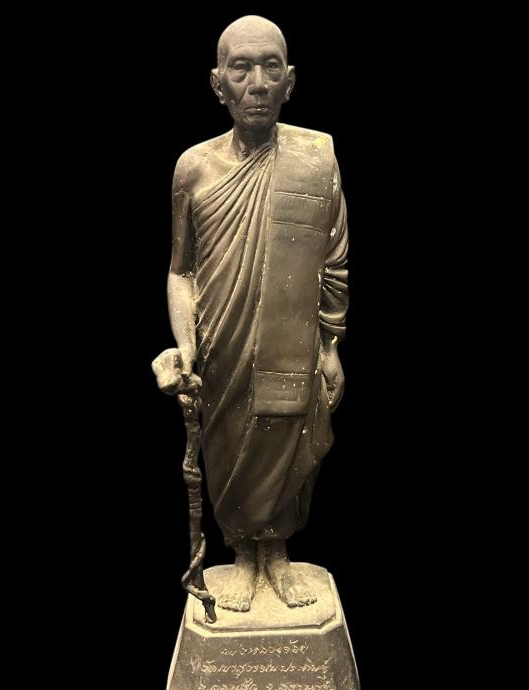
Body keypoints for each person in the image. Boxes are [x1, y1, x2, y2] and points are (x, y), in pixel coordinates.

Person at [152, 15, 349, 612]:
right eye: (241, 69)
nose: (257, 83)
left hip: (293, 345)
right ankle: (242, 555)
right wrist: (186, 350)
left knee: (290, 444)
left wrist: (330, 348)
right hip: (223, 349)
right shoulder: (194, 168)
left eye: (270, 68)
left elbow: (334, 262)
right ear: (218, 84)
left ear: (290, 80)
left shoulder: (317, 158)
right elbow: (181, 271)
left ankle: (278, 555)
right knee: (231, 450)